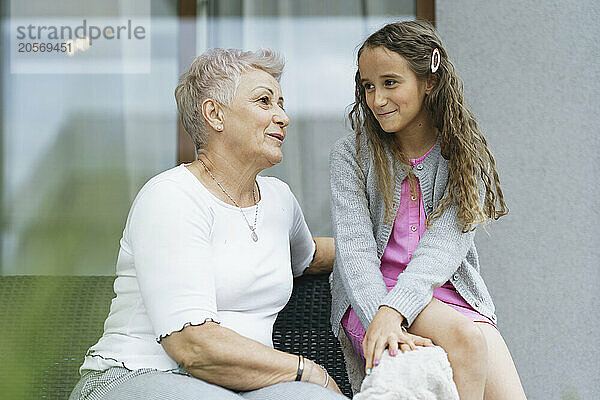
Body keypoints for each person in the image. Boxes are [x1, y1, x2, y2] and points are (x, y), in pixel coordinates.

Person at [69, 48, 347, 400]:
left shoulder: (279, 200)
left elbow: (309, 257)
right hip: (137, 374)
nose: (283, 116)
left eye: (281, 102)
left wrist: (395, 251)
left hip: (244, 387)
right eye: (265, 101)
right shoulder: (172, 196)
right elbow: (193, 346)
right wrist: (308, 371)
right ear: (215, 114)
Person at [329, 21, 527, 400]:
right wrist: (384, 315)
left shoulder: (463, 157)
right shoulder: (350, 155)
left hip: (445, 294)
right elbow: (354, 254)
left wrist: (398, 309)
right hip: (373, 294)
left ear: (429, 82)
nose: (377, 99)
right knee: (466, 341)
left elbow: (443, 248)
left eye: (390, 83)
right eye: (368, 86)